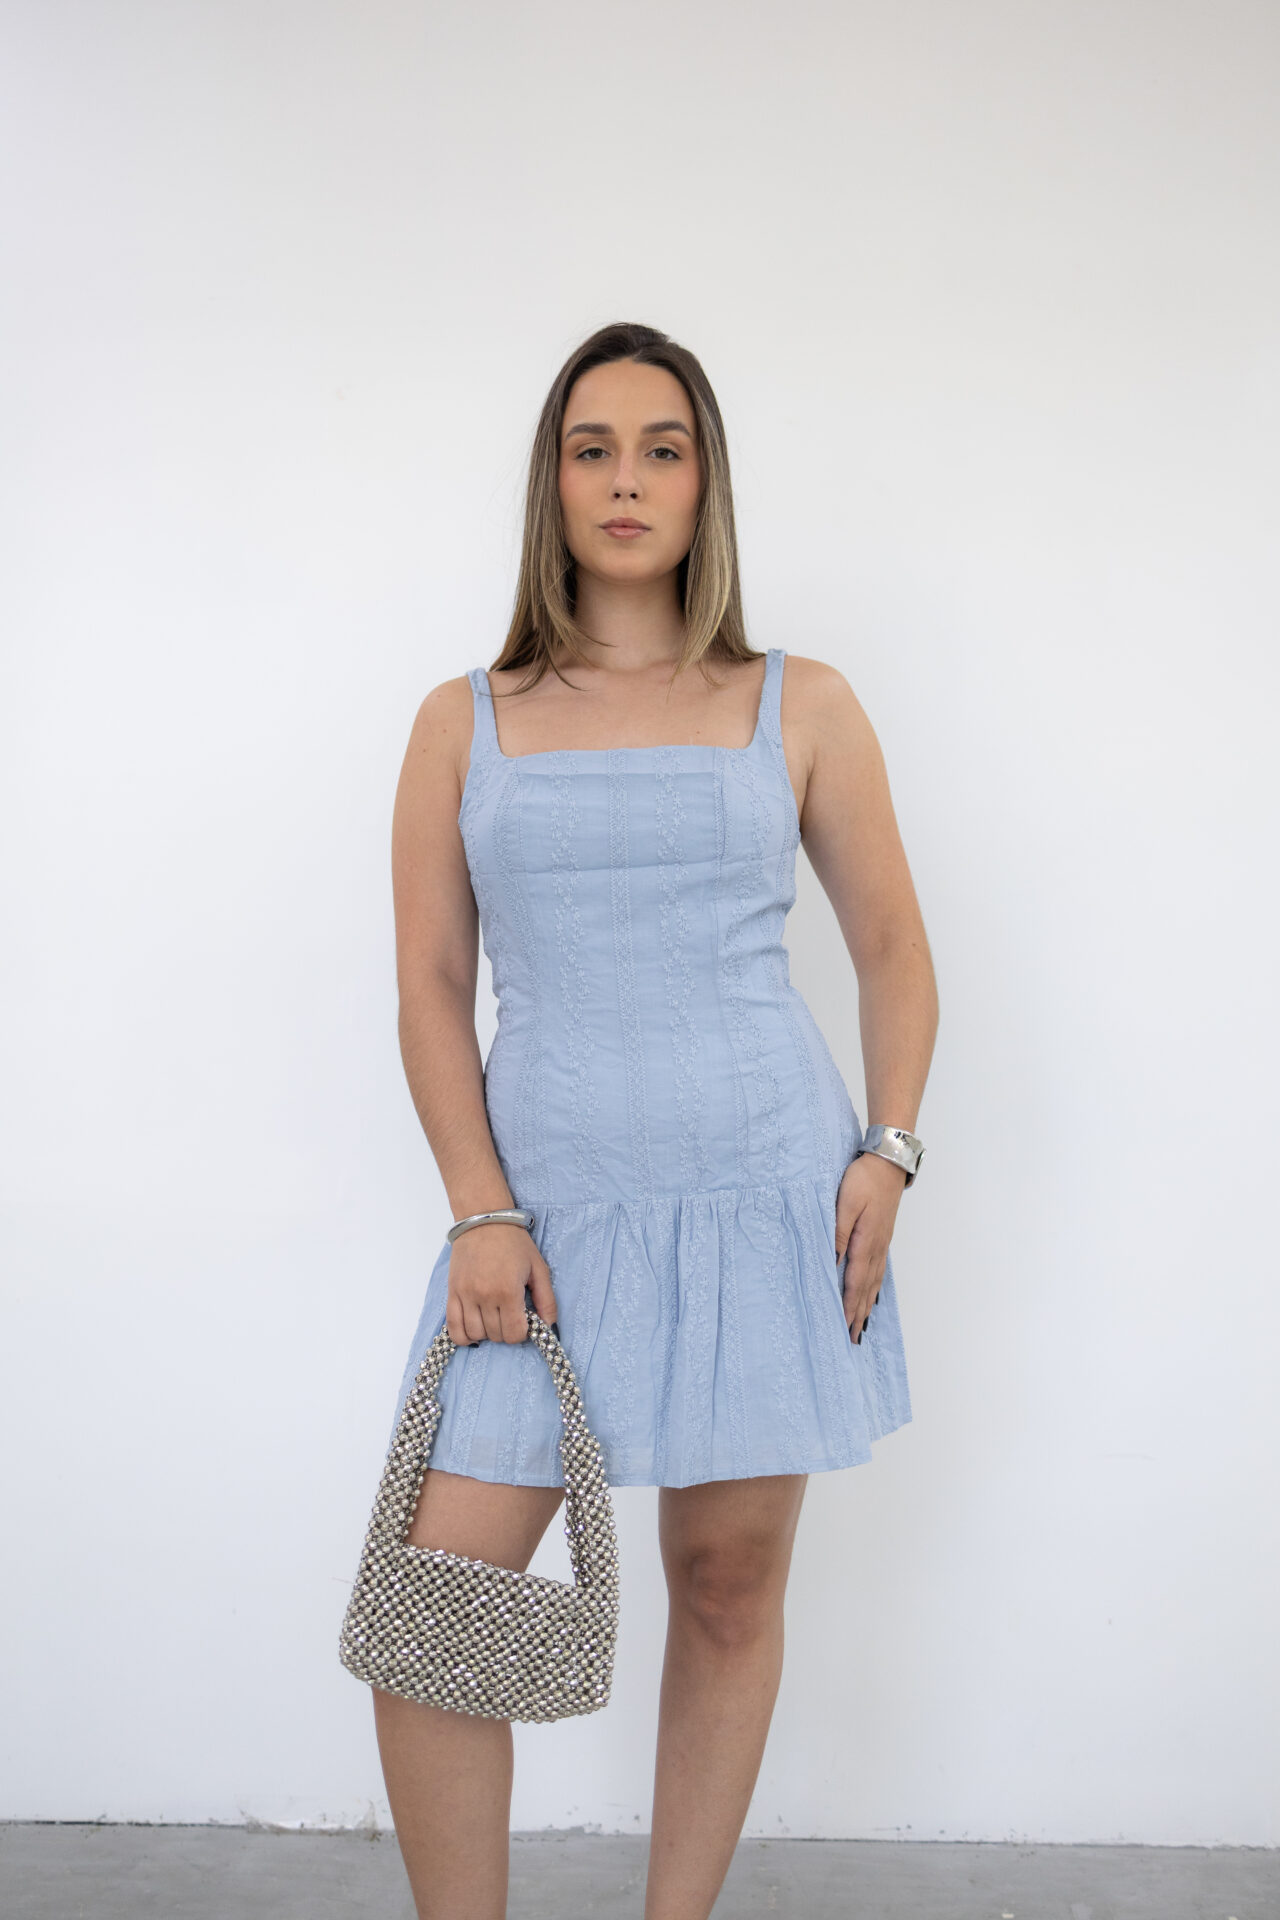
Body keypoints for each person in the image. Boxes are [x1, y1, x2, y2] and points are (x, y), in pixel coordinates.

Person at [371, 321, 939, 1920]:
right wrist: (479, 1207)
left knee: (730, 1582)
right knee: (439, 1609)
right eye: (594, 448)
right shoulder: (462, 719)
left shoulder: (801, 703)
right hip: (540, 1218)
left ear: (705, 487)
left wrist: (889, 1151)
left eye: (662, 449)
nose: (627, 479)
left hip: (764, 1192)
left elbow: (896, 952)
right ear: (552, 484)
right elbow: (429, 986)